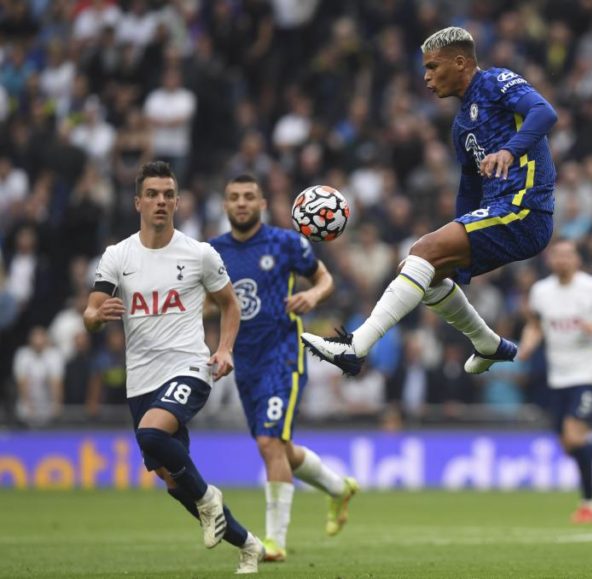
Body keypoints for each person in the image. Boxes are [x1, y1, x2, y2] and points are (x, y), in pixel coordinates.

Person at [301, 26, 557, 378]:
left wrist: (509, 152)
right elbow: (469, 187)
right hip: (500, 210)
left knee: (422, 251)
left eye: (433, 67)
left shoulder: (497, 81)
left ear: (461, 62)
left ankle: (354, 347)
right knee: (424, 272)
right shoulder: (460, 128)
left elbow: (544, 113)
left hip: (525, 208)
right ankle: (488, 344)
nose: (426, 77)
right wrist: (458, 239)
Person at [83, 161, 264, 574]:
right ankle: (247, 544)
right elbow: (90, 312)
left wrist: (225, 350)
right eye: (152, 194)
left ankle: (208, 499)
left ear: (178, 202)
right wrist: (95, 318)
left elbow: (229, 305)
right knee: (171, 479)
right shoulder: (118, 256)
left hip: (188, 366)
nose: (160, 201)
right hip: (141, 379)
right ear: (137, 202)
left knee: (152, 433)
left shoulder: (200, 253)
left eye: (168, 194)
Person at [210, 174, 358, 562]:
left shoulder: (286, 242)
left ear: (261, 204)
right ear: (225, 206)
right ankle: (338, 488)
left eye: (249, 197)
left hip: (283, 354)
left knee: (268, 444)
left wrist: (312, 294)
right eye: (234, 197)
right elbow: (209, 302)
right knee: (279, 447)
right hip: (243, 362)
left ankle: (274, 542)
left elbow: (325, 279)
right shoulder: (212, 252)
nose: (241, 203)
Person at [516, 239, 592, 524]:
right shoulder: (541, 291)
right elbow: (535, 324)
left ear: (577, 259)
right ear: (550, 260)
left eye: (568, 255)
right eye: (557, 255)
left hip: (589, 373)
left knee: (574, 436)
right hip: (558, 376)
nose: (562, 260)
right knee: (569, 445)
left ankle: (589, 504)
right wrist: (527, 345)